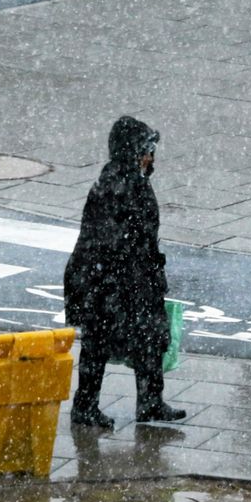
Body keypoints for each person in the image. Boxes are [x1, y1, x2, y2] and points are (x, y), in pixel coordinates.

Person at [64, 116, 185, 429]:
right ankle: (99, 406)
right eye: (148, 149)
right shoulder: (125, 185)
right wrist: (142, 277)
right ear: (135, 152)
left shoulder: (123, 179)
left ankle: (144, 402)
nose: (152, 157)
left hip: (112, 278)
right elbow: (122, 241)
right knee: (115, 340)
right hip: (115, 281)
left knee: (136, 338)